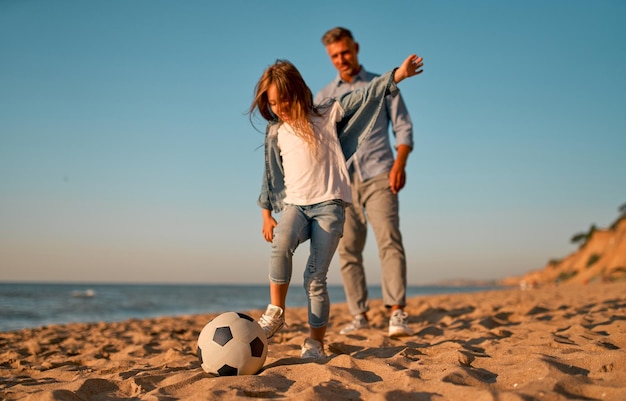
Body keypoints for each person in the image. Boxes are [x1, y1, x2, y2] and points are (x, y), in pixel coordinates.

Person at [251, 53, 423, 359]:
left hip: (329, 206)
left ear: (300, 93)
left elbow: (366, 95)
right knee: (281, 243)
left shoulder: (328, 112)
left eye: (285, 100)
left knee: (314, 278)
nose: (280, 109)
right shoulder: (276, 131)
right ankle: (276, 311)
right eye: (273, 103)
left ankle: (315, 342)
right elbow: (269, 173)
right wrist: (266, 213)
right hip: (296, 206)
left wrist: (398, 75)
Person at [315, 27, 418, 337]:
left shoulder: (383, 84)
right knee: (347, 250)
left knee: (389, 240)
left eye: (345, 52)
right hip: (344, 184)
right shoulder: (324, 96)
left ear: (356, 48)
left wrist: (399, 164)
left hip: (380, 175)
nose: (341, 59)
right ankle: (359, 314)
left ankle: (397, 312)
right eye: (334, 56)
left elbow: (403, 129)